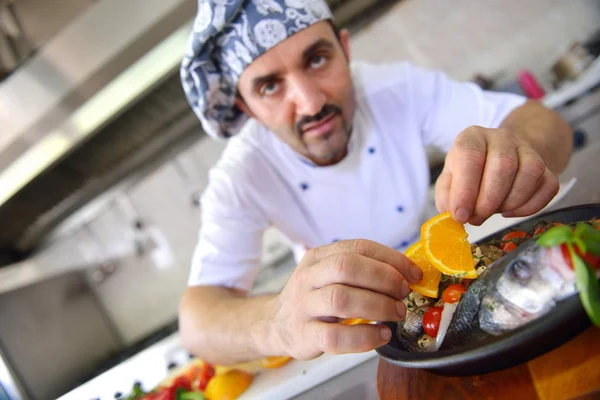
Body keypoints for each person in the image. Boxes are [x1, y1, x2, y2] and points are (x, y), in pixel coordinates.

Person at [178, 0, 573, 365]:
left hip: (446, 290)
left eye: (317, 59)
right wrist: (276, 322)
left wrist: (519, 151)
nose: (311, 102)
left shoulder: (396, 89)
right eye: (270, 86)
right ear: (247, 108)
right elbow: (198, 322)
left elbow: (542, 121)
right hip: (347, 336)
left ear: (345, 49)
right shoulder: (241, 174)